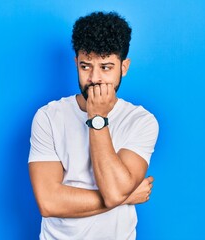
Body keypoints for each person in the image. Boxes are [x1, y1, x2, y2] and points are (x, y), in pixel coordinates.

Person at [28, 11, 159, 240]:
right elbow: (48, 202)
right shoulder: (48, 117)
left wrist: (98, 119)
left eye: (106, 67)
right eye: (86, 66)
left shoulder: (141, 121)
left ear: (124, 67)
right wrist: (126, 197)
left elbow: (115, 190)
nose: (95, 78)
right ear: (76, 62)